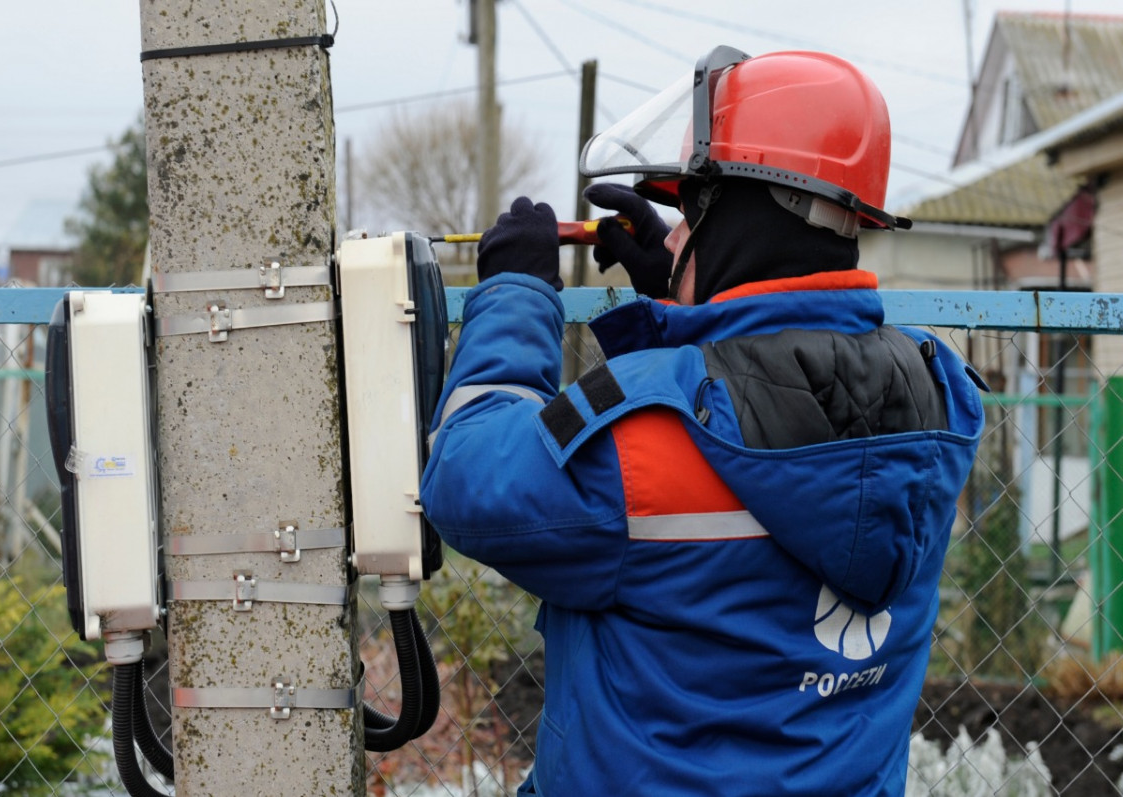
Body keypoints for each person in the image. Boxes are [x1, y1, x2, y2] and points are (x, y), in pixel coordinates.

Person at [419, 46, 986, 796]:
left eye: (693, 212)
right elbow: (761, 397)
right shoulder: (936, 402)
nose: (676, 233)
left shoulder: (642, 451)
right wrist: (691, 302)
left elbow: (466, 473)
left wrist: (517, 296)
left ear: (743, 218)